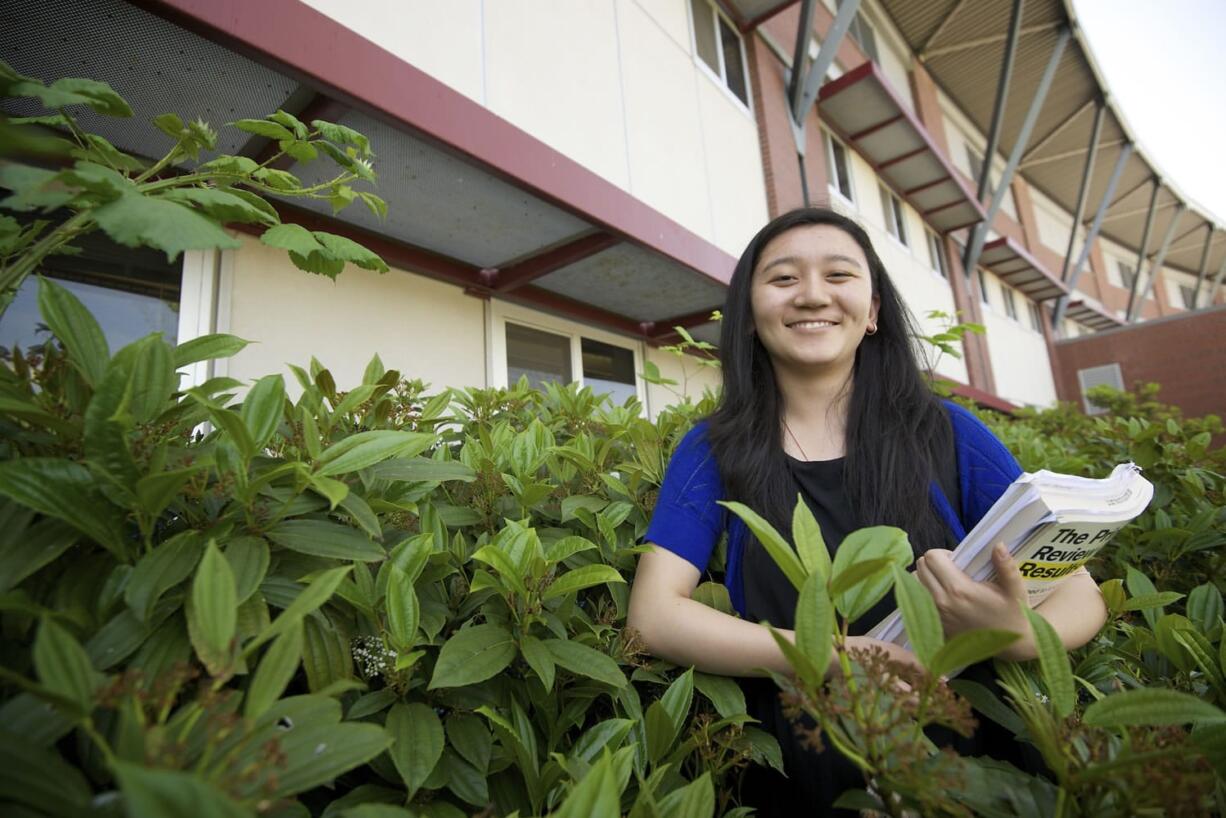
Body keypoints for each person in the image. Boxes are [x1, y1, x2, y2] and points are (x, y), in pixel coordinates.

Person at [626, 207, 1107, 815]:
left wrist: (1015, 634)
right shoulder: (713, 450)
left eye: (839, 275)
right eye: (782, 279)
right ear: (749, 317)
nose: (811, 295)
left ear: (874, 311)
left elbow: (1082, 594)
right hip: (805, 771)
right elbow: (652, 616)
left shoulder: (948, 433)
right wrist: (832, 656)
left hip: (976, 768)